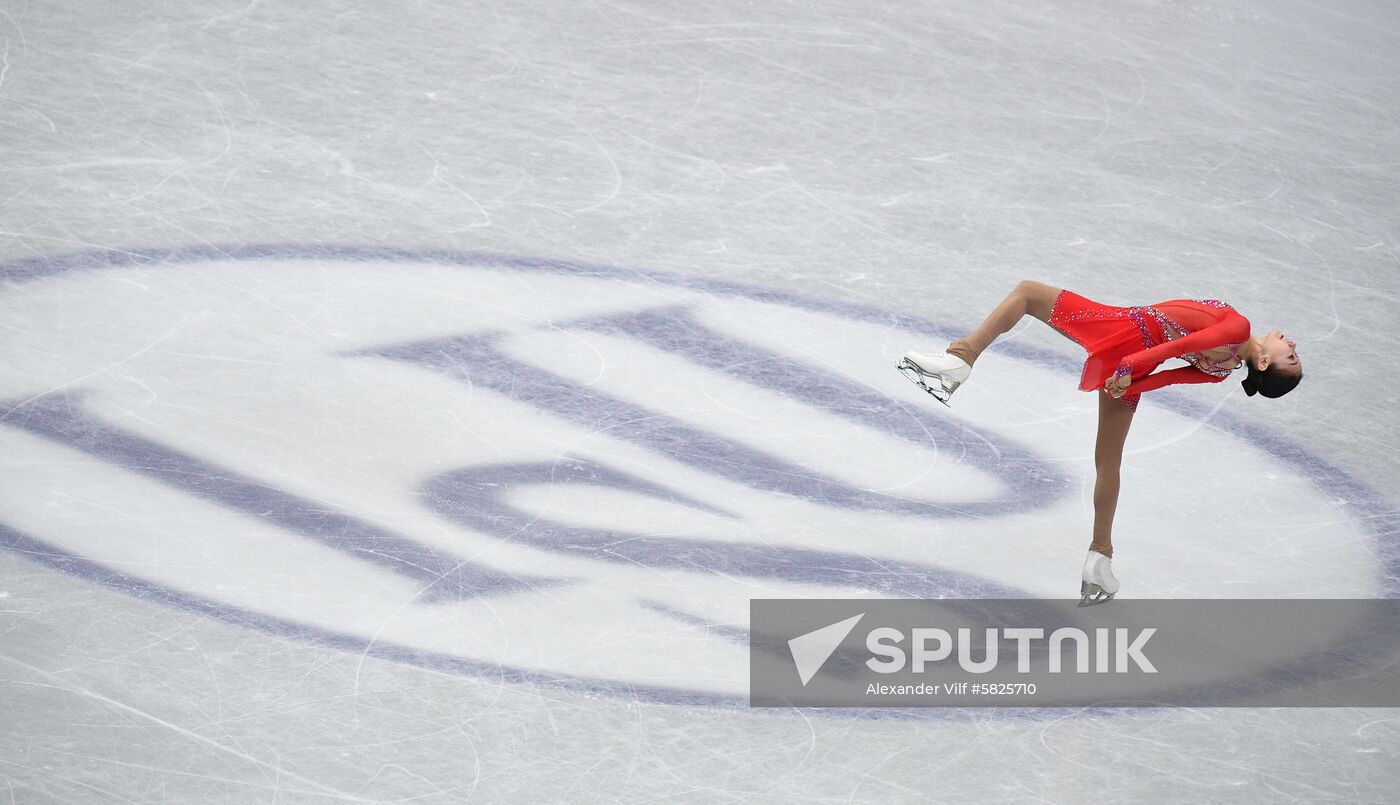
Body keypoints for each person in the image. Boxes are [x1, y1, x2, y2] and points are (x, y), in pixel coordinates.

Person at [897, 280, 1302, 605]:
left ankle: (960, 357)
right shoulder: (1220, 371)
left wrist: (1129, 365)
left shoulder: (1240, 330)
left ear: (1263, 363)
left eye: (1291, 358)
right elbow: (1165, 377)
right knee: (1108, 463)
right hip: (1130, 369)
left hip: (1124, 333)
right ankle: (1100, 556)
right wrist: (1129, 379)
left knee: (1027, 293)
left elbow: (1178, 347)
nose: (1294, 346)